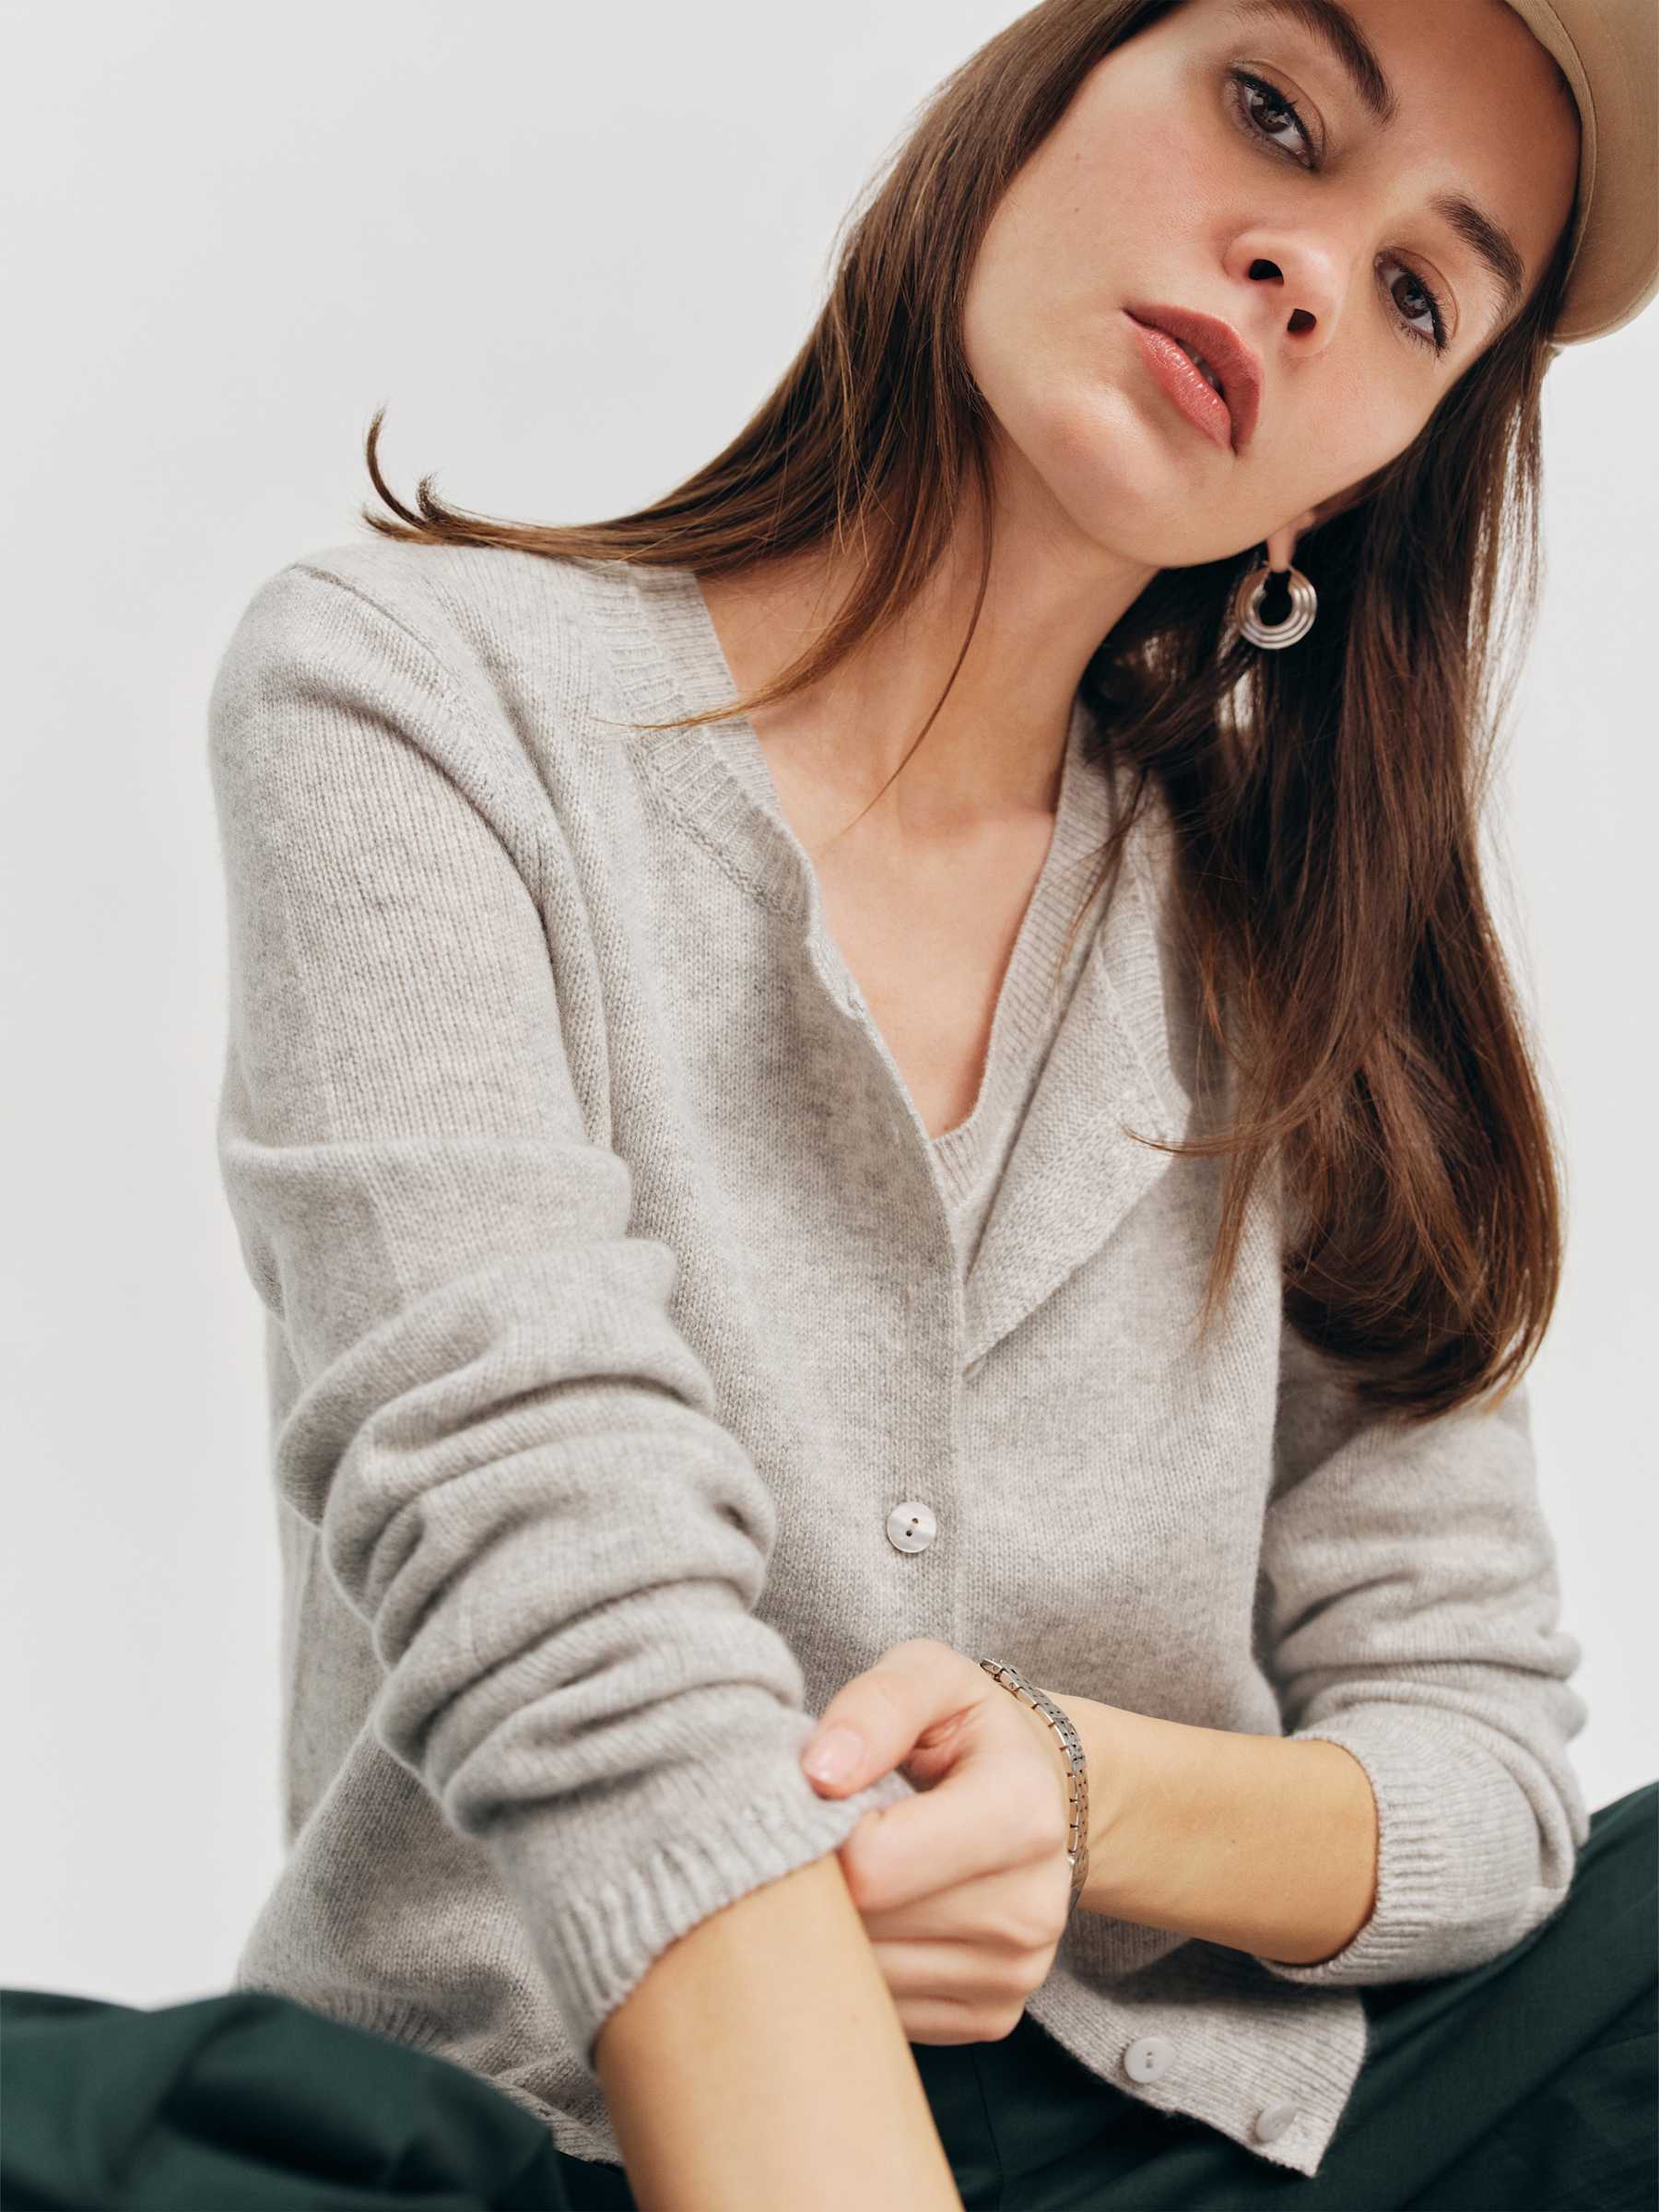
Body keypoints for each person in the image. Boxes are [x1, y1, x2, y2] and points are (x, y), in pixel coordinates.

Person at [7, 2, 1652, 2208]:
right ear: (1039, 95)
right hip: (552, 2125)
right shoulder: (418, 698)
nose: (1306, 277)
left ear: (1348, 482)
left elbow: (1481, 1766)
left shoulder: (1299, 975)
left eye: (1419, 296)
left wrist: (1083, 1795)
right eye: (1274, 110)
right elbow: (554, 1566)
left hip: (1163, 2141)